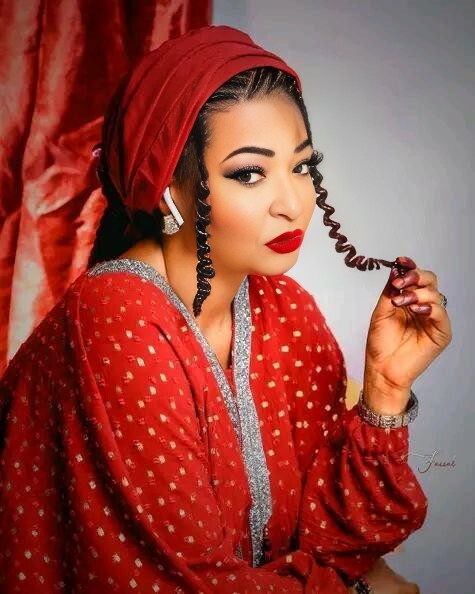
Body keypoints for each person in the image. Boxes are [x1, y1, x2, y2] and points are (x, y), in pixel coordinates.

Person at [0, 24, 451, 594]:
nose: (293, 203)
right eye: (250, 173)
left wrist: (385, 387)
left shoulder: (286, 311)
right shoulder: (116, 318)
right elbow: (185, 583)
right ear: (170, 188)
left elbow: (335, 541)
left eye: (302, 166)